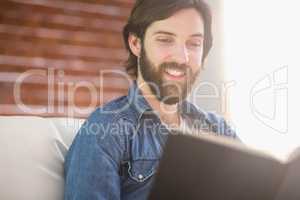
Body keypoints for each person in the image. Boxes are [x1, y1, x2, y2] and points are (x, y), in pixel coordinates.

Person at [64, 0, 238, 199]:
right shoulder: (105, 132)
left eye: (194, 44)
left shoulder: (219, 132)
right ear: (136, 43)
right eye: (165, 40)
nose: (182, 58)